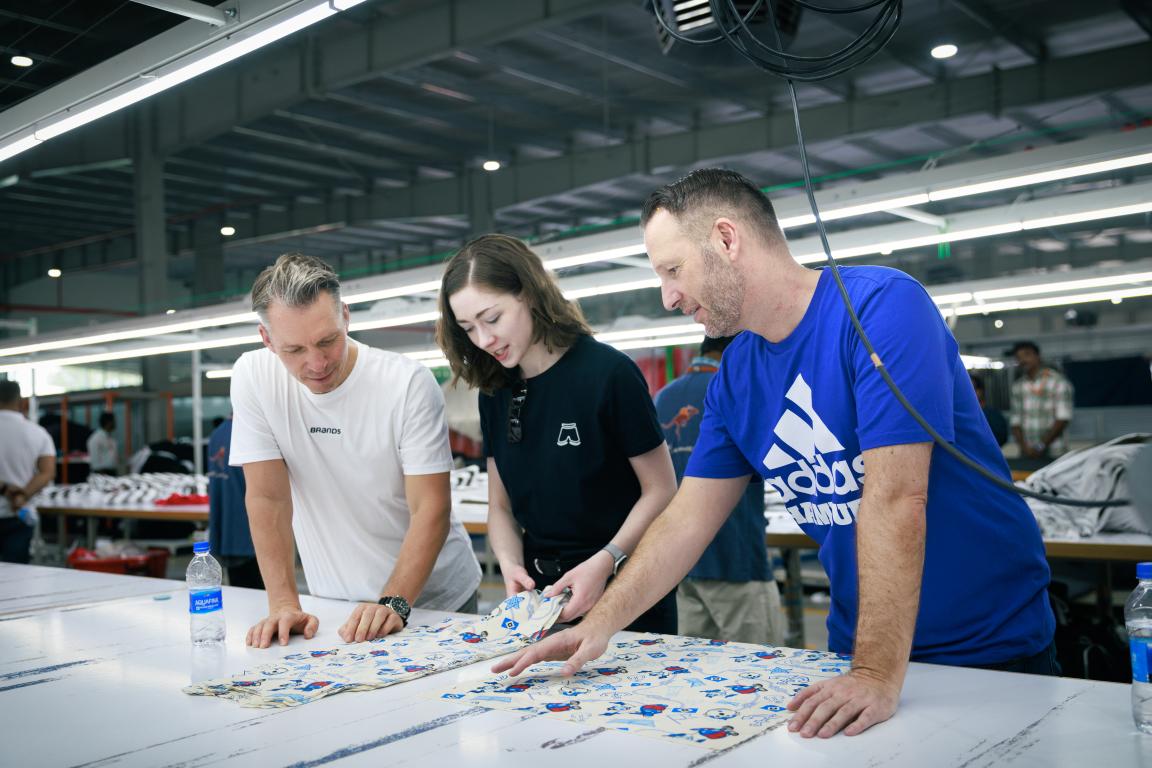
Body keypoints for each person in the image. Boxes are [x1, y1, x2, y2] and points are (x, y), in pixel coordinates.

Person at [494, 169, 1056, 739]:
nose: (668, 297)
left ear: (726, 239)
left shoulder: (881, 308)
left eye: (672, 270)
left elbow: (896, 497)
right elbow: (687, 519)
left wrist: (874, 673)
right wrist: (602, 623)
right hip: (859, 649)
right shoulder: (738, 373)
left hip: (987, 648)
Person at [229, 252, 481, 648]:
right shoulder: (253, 376)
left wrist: (394, 602)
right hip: (334, 603)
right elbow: (267, 498)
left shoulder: (406, 384)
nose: (316, 363)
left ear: (346, 317)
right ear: (267, 340)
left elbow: (430, 507)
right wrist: (282, 603)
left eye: (327, 341)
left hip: (434, 598)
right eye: (294, 350)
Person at [436, 234, 679, 632]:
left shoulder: (608, 374)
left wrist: (607, 560)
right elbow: (500, 506)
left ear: (530, 294)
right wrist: (511, 565)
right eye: (468, 328)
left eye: (492, 319)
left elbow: (662, 490)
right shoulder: (495, 392)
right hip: (544, 603)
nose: (483, 340)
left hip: (627, 592)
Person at [654, 335, 785, 645]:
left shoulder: (661, 398)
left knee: (698, 671)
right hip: (736, 560)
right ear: (736, 349)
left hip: (681, 564)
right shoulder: (737, 390)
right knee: (761, 670)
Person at [0, 381, 55, 563]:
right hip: (19, 513)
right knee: (16, 577)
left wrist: (5, 489)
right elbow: (47, 472)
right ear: (22, 402)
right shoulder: (38, 433)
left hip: (13, 505)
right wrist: (22, 495)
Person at [207, 416, 263, 589]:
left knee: (242, 591)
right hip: (250, 533)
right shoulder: (248, 432)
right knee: (258, 597)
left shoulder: (218, 434)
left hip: (228, 530)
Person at [1009, 341, 1074, 464]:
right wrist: (1025, 448)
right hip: (1027, 454)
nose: (1023, 360)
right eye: (1018, 357)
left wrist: (1040, 446)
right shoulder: (1018, 386)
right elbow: (1015, 421)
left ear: (1037, 356)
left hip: (1055, 452)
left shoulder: (1057, 382)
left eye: (1027, 355)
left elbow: (1063, 418)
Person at [970, 374, 1009, 447]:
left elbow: (1001, 439)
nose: (969, 393)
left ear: (981, 391)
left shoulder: (994, 416)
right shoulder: (962, 416)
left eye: (973, 388)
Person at [86, 411, 119, 476]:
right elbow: (94, 459)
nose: (115, 423)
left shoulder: (110, 437)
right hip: (102, 473)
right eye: (114, 421)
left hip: (111, 472)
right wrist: (101, 474)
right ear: (109, 422)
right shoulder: (96, 438)